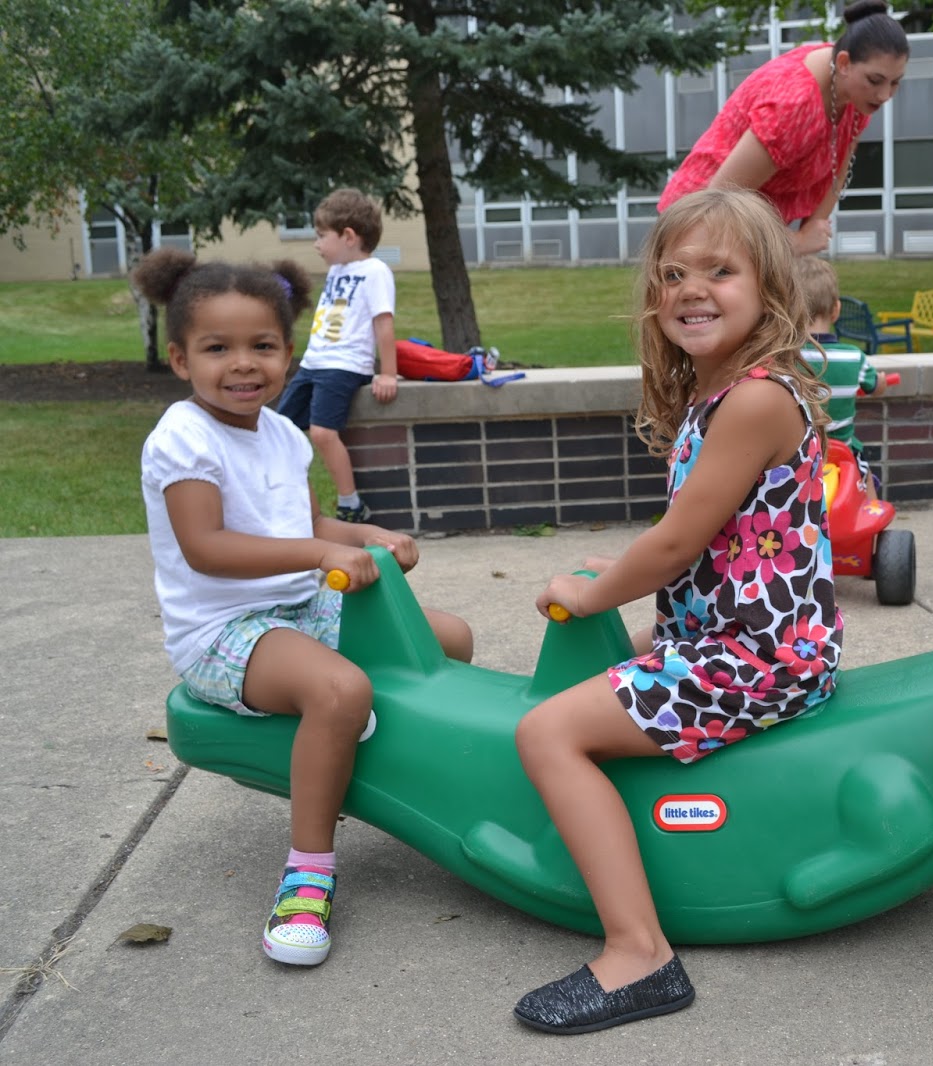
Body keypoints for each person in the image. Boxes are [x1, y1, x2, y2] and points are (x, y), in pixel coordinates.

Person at [510, 188, 841, 1034]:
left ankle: (639, 955)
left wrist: (595, 590)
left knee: (546, 732)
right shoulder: (717, 392)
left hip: (760, 659)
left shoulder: (757, 398)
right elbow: (712, 545)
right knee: (596, 670)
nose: (692, 289)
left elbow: (676, 542)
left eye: (719, 271)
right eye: (673, 273)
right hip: (735, 637)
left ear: (769, 287)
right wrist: (622, 586)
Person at [134, 247, 474, 968]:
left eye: (261, 346)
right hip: (224, 630)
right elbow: (209, 547)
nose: (243, 364)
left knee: (445, 638)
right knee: (341, 688)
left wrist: (368, 536)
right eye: (217, 348)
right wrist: (321, 559)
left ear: (289, 353)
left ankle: (401, 776)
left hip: (297, 609)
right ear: (179, 359)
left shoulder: (284, 435)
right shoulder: (183, 437)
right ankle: (308, 874)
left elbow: (305, 527)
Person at [657, 0, 909, 254]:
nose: (885, 94)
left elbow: (839, 170)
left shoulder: (855, 92)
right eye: (876, 81)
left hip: (749, 233)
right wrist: (797, 243)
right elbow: (718, 202)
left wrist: (812, 231)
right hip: (696, 231)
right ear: (844, 63)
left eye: (895, 82)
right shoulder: (793, 106)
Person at [276, 187, 399, 523]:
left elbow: (383, 323)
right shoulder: (337, 271)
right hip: (314, 363)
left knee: (322, 432)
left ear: (347, 236)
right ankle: (291, 501)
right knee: (279, 429)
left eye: (321, 236)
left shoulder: (375, 272)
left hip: (343, 366)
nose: (316, 244)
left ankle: (350, 503)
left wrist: (388, 372)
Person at [794, 254, 889, 498]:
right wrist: (881, 382)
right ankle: (873, 522)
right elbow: (874, 386)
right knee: (864, 478)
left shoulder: (786, 358)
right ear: (836, 310)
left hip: (799, 453)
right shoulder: (854, 357)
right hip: (842, 452)